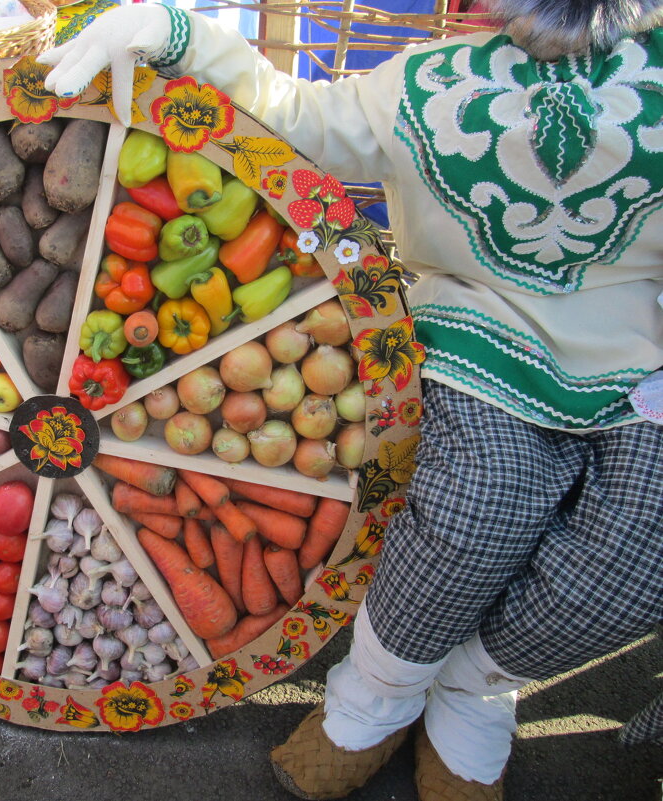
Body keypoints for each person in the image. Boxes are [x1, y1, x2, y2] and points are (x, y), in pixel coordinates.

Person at [39, 1, 663, 799]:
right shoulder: (436, 82)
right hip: (483, 330)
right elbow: (303, 116)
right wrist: (176, 31)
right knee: (477, 504)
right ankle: (378, 692)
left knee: (643, 553)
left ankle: (472, 684)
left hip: (643, 346)